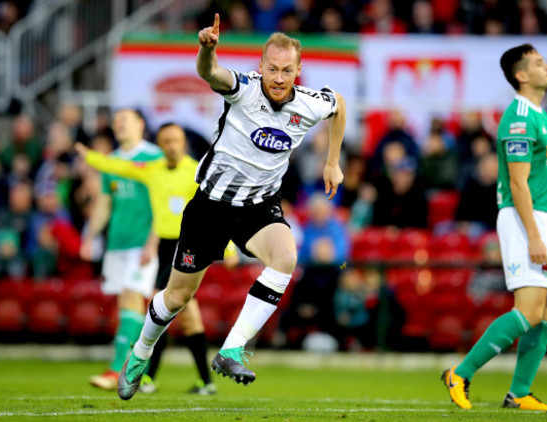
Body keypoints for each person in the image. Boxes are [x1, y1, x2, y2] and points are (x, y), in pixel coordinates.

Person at [116, 14, 346, 400]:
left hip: (257, 207)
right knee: (176, 298)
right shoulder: (244, 89)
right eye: (272, 68)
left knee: (286, 256)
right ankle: (140, 353)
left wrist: (332, 161)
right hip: (210, 207)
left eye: (287, 70)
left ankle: (232, 348)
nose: (278, 77)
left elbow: (337, 104)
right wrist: (207, 51)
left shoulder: (310, 103)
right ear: (260, 67)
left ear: (298, 70)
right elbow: (212, 74)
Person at [441, 44, 547, 411]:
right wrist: (533, 235)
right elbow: (518, 184)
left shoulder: (541, 116)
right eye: (539, 64)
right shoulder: (518, 119)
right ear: (521, 76)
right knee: (529, 310)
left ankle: (519, 393)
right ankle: (460, 373)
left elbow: (545, 178)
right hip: (520, 218)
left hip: (541, 216)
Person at [76, 122, 238, 395]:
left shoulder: (196, 173)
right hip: (164, 247)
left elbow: (216, 211)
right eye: (166, 141)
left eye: (176, 140)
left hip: (188, 245)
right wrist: (90, 157)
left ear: (183, 143)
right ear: (160, 146)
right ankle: (201, 382)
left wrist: (230, 247)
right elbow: (118, 167)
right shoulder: (152, 170)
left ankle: (153, 377)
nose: (172, 145)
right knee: (181, 315)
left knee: (161, 307)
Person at [82, 109, 162, 390]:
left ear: (140, 124)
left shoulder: (154, 158)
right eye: (116, 121)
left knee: (131, 299)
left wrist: (153, 241)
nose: (119, 124)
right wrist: (90, 236)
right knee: (126, 306)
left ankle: (116, 368)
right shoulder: (112, 162)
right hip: (116, 242)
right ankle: (141, 372)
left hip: (142, 243)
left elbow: (161, 203)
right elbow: (105, 203)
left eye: (124, 120)